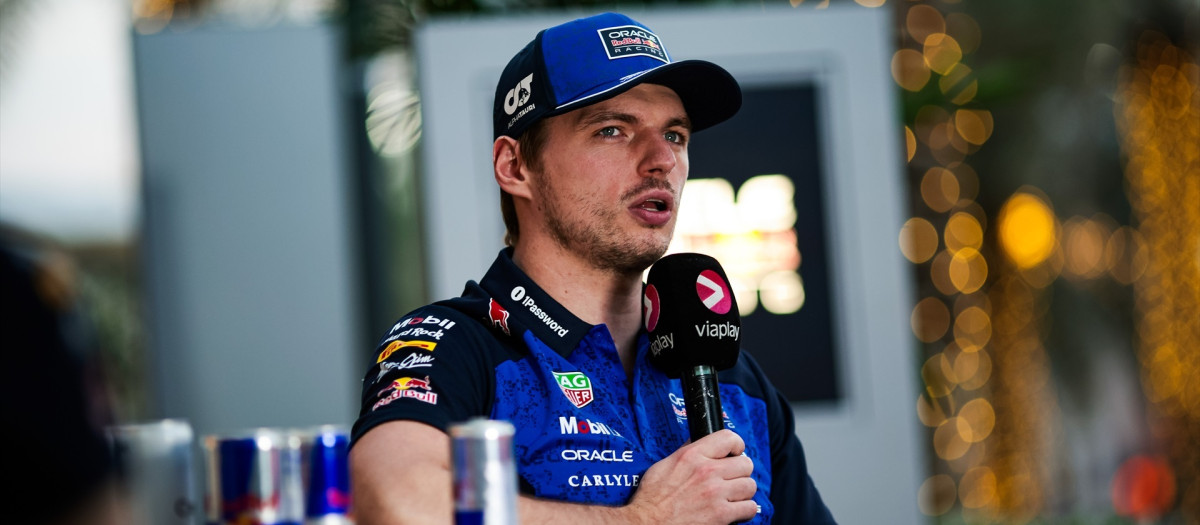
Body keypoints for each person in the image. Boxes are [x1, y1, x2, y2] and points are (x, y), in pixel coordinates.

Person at [349, 12, 835, 524]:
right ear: (515, 167)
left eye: (674, 135)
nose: (661, 160)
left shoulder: (733, 377)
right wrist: (643, 520)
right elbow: (391, 504)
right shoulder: (452, 346)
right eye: (612, 130)